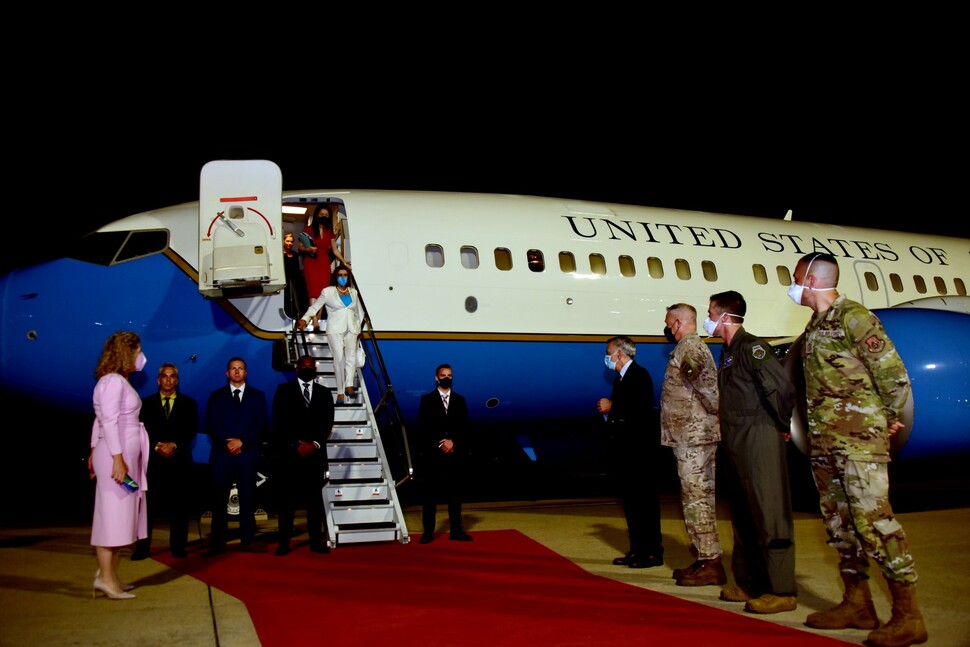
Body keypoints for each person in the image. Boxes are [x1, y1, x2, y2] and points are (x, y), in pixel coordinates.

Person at [789, 252, 927, 646]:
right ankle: (857, 603)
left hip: (859, 445)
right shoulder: (816, 325)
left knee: (876, 525)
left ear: (813, 280)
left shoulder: (854, 317)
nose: (793, 285)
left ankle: (909, 615)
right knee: (840, 527)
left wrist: (885, 419)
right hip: (827, 445)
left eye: (797, 277)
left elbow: (894, 376)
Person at [706, 291, 797, 614]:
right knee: (743, 514)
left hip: (758, 434)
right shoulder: (727, 353)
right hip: (735, 437)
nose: (709, 320)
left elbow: (780, 387)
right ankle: (751, 583)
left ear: (725, 317)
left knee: (769, 512)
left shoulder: (752, 347)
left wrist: (782, 424)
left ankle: (782, 589)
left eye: (711, 313)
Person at [659, 305, 725, 586]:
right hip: (690, 437)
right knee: (696, 498)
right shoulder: (686, 349)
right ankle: (705, 557)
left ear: (677, 323)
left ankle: (710, 561)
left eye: (667, 323)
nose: (665, 328)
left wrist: (710, 419)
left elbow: (709, 390)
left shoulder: (691, 349)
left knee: (697, 498)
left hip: (695, 438)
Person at [88, 331, 149, 599]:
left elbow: (98, 421)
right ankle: (106, 581)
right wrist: (117, 459)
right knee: (110, 520)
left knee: (122, 519)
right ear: (127, 352)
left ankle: (109, 576)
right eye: (137, 351)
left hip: (122, 457)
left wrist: (95, 451)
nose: (140, 356)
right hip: (118, 460)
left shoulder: (120, 381)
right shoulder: (112, 382)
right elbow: (108, 422)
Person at [596, 336, 664, 569]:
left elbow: (640, 411)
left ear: (620, 353)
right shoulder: (620, 380)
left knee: (644, 502)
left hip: (640, 452)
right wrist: (609, 415)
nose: (606, 357)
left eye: (609, 352)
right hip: (626, 451)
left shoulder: (639, 376)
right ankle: (637, 549)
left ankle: (652, 552)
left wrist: (613, 407)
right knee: (631, 503)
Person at [204, 357, 270, 556]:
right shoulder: (216, 396)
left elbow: (261, 425)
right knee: (219, 500)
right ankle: (217, 543)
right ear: (227, 373)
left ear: (246, 373)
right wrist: (229, 443)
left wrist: (242, 442)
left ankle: (248, 540)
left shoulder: (257, 396)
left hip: (247, 456)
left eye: (240, 368)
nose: (237, 371)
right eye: (233, 368)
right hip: (222, 457)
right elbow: (211, 424)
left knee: (248, 499)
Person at [132, 362, 198, 560]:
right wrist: (157, 447)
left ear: (176, 381)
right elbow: (141, 430)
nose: (168, 379)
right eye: (164, 376)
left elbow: (190, 430)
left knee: (179, 508)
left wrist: (174, 445)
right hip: (153, 464)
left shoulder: (189, 404)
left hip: (180, 463)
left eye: (172, 376)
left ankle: (178, 547)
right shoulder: (146, 404)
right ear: (158, 380)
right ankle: (142, 548)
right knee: (147, 509)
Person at [271, 354, 334, 556]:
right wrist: (295, 444)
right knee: (286, 502)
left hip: (314, 457)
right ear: (297, 369)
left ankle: (316, 541)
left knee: (314, 502)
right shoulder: (283, 391)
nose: (307, 368)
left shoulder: (324, 393)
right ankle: (284, 543)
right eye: (303, 365)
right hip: (290, 455)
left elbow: (327, 423)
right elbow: (279, 421)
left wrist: (314, 444)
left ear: (314, 369)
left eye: (310, 366)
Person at [414, 363, 473, 543]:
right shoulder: (427, 400)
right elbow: (422, 428)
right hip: (434, 456)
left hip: (454, 455)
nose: (447, 378)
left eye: (449, 375)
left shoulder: (460, 400)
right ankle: (428, 533)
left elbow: (465, 427)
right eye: (443, 375)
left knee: (455, 495)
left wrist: (453, 442)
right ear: (436, 378)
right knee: (430, 496)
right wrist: (439, 444)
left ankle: (456, 531)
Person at [296, 264, 362, 405]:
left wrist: (359, 329)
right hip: (335, 329)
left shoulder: (353, 292)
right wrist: (305, 319)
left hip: (352, 328)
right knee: (339, 359)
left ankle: (349, 385)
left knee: (351, 357)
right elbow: (315, 307)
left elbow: (357, 312)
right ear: (335, 277)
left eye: (345, 275)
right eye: (340, 275)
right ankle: (340, 391)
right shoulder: (328, 292)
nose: (343, 278)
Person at [299, 203, 350, 301]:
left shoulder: (330, 231)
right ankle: (314, 316)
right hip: (311, 262)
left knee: (323, 293)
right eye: (322, 214)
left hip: (324, 264)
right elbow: (300, 248)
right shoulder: (308, 229)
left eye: (326, 215)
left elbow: (335, 250)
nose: (324, 216)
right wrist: (308, 249)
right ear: (317, 215)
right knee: (313, 293)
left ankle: (316, 317)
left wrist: (344, 262)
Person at [282, 231, 309, 321]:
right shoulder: (280, 255)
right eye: (288, 241)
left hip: (295, 280)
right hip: (286, 280)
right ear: (283, 241)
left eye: (291, 241)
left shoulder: (295, 254)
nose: (290, 243)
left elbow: (297, 268)